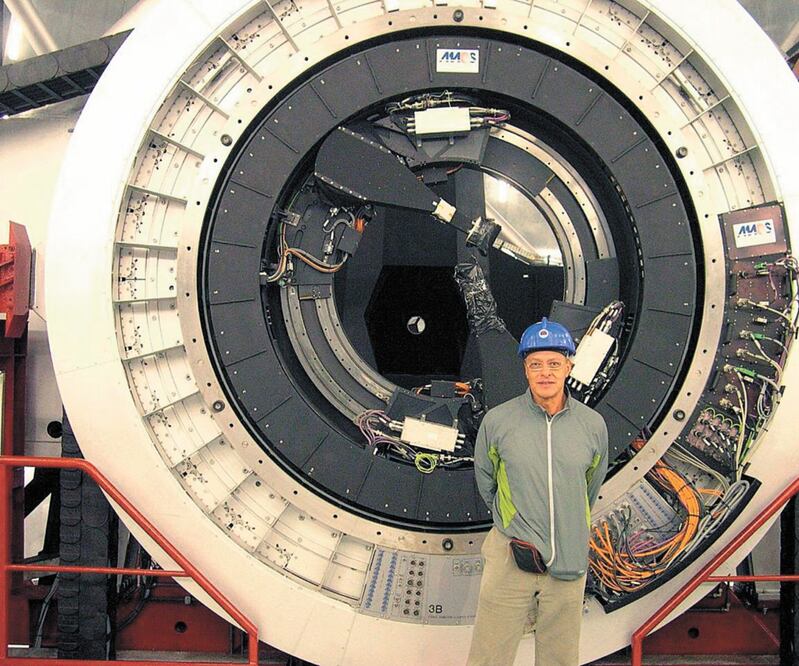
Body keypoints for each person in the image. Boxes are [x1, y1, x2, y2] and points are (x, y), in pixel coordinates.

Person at [466, 317, 609, 666]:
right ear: (525, 370)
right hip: (511, 557)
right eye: (536, 365)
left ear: (568, 366)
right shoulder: (498, 422)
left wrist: (569, 527)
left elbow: (589, 488)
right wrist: (514, 522)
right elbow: (486, 481)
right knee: (489, 657)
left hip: (568, 564)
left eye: (553, 363)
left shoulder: (592, 425)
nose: (545, 372)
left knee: (560, 659)